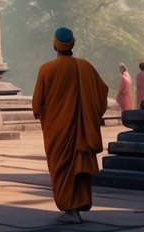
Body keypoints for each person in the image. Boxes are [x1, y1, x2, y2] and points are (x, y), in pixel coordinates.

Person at [33, 27, 110, 225]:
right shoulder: (85, 67)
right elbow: (102, 93)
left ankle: (69, 209)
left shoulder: (46, 69)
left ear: (54, 46)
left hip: (56, 130)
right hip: (80, 129)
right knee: (78, 164)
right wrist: (90, 115)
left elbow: (37, 104)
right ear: (72, 44)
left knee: (61, 168)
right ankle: (78, 204)